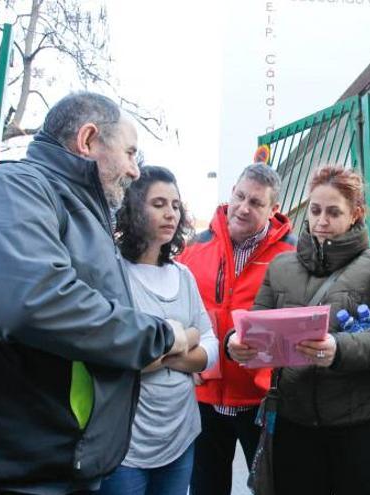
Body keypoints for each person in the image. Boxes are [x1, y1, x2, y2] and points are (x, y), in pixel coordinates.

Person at [0, 92, 192, 494]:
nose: (135, 170)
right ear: (88, 139)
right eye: (130, 152)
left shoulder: (71, 207)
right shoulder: (11, 188)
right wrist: (161, 335)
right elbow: (34, 302)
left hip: (37, 468)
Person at [229, 164, 370, 495]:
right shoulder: (282, 266)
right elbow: (256, 322)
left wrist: (340, 349)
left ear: (355, 214)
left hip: (363, 429)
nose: (321, 221)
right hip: (295, 424)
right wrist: (236, 343)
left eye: (334, 212)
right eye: (315, 210)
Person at [97, 166, 219, 495]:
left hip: (180, 434)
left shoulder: (183, 275)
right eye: (159, 204)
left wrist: (160, 352)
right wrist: (183, 338)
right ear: (134, 208)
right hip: (127, 442)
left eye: (176, 205)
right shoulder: (112, 274)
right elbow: (117, 354)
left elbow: (210, 344)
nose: (170, 214)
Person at [179, 164, 296, 495]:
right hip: (203, 396)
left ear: (274, 209)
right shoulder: (194, 248)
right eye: (240, 196)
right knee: (205, 487)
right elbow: (179, 312)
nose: (243, 208)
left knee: (269, 487)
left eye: (256, 203)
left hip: (258, 399)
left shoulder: (292, 254)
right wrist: (188, 362)